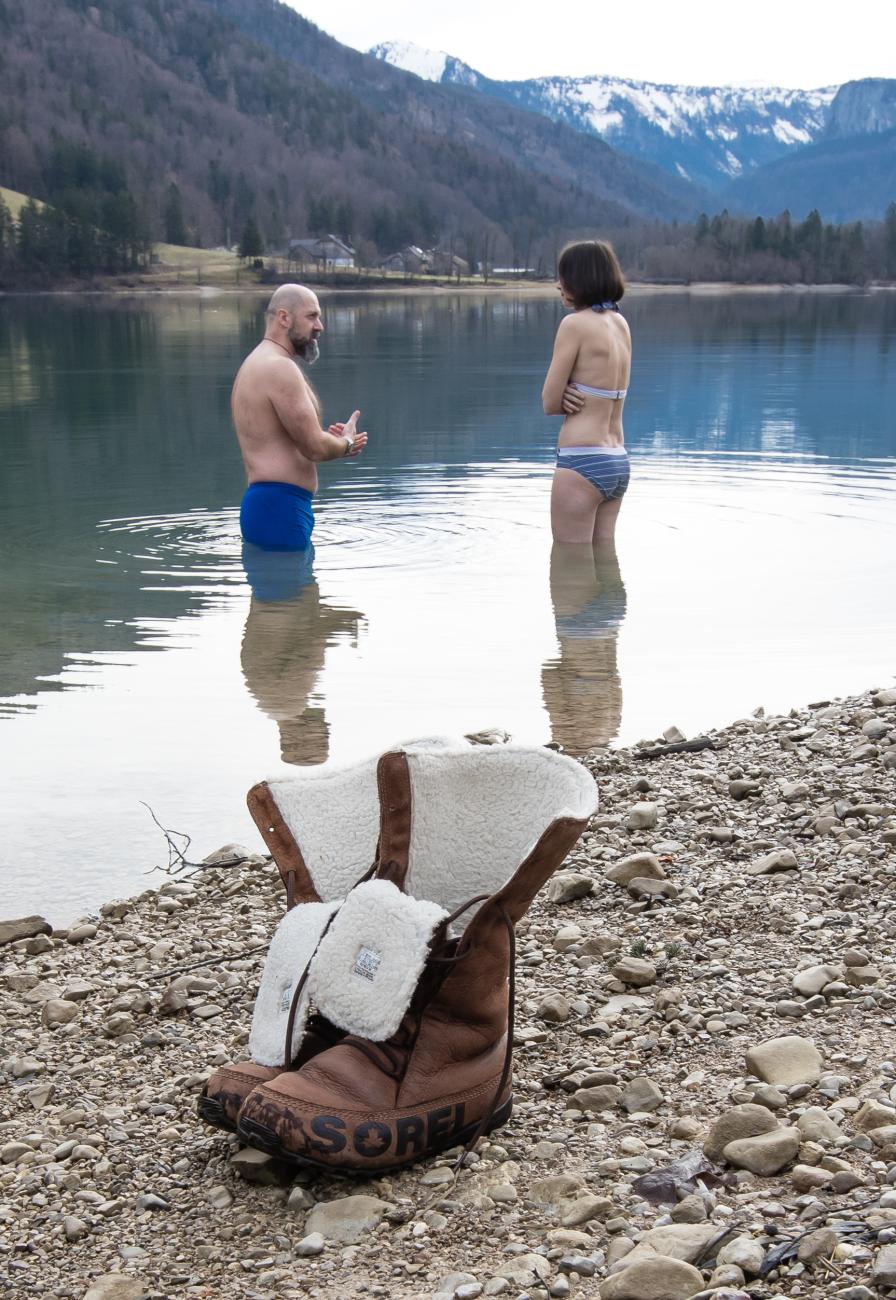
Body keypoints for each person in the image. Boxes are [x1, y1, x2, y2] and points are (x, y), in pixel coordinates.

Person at [232, 284, 368, 550]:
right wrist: (346, 443)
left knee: (281, 592)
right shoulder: (279, 368)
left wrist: (330, 440)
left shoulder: (257, 362)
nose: (320, 326)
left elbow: (293, 440)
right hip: (280, 508)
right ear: (284, 318)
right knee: (295, 593)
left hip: (270, 507)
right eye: (312, 316)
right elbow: (314, 447)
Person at [542, 241, 631, 544]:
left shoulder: (574, 325)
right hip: (617, 460)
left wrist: (563, 393)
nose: (559, 284)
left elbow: (550, 402)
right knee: (607, 568)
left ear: (580, 279)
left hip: (582, 461)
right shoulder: (620, 323)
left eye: (564, 276)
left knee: (570, 570)